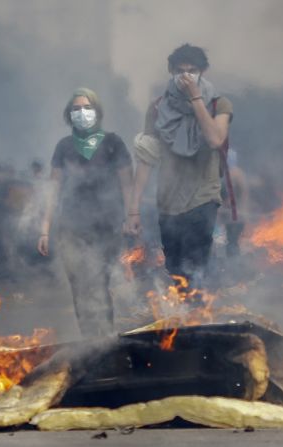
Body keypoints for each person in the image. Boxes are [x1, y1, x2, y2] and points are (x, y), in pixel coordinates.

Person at [126, 44, 232, 289]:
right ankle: (182, 320)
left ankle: (196, 320)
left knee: (196, 269)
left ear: (203, 71)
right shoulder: (157, 108)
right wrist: (133, 210)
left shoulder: (219, 105)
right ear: (170, 70)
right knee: (174, 270)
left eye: (192, 70)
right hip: (168, 203)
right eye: (180, 70)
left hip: (203, 198)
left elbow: (215, 139)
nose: (186, 76)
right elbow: (146, 158)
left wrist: (195, 99)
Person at [38, 88, 133, 337]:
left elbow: (127, 183)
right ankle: (89, 341)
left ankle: (106, 338)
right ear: (69, 115)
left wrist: (132, 216)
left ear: (97, 111)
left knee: (100, 283)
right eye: (76, 109)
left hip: (107, 226)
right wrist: (44, 229)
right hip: (71, 226)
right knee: (79, 287)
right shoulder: (64, 146)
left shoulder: (113, 142)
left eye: (87, 107)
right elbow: (53, 188)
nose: (82, 113)